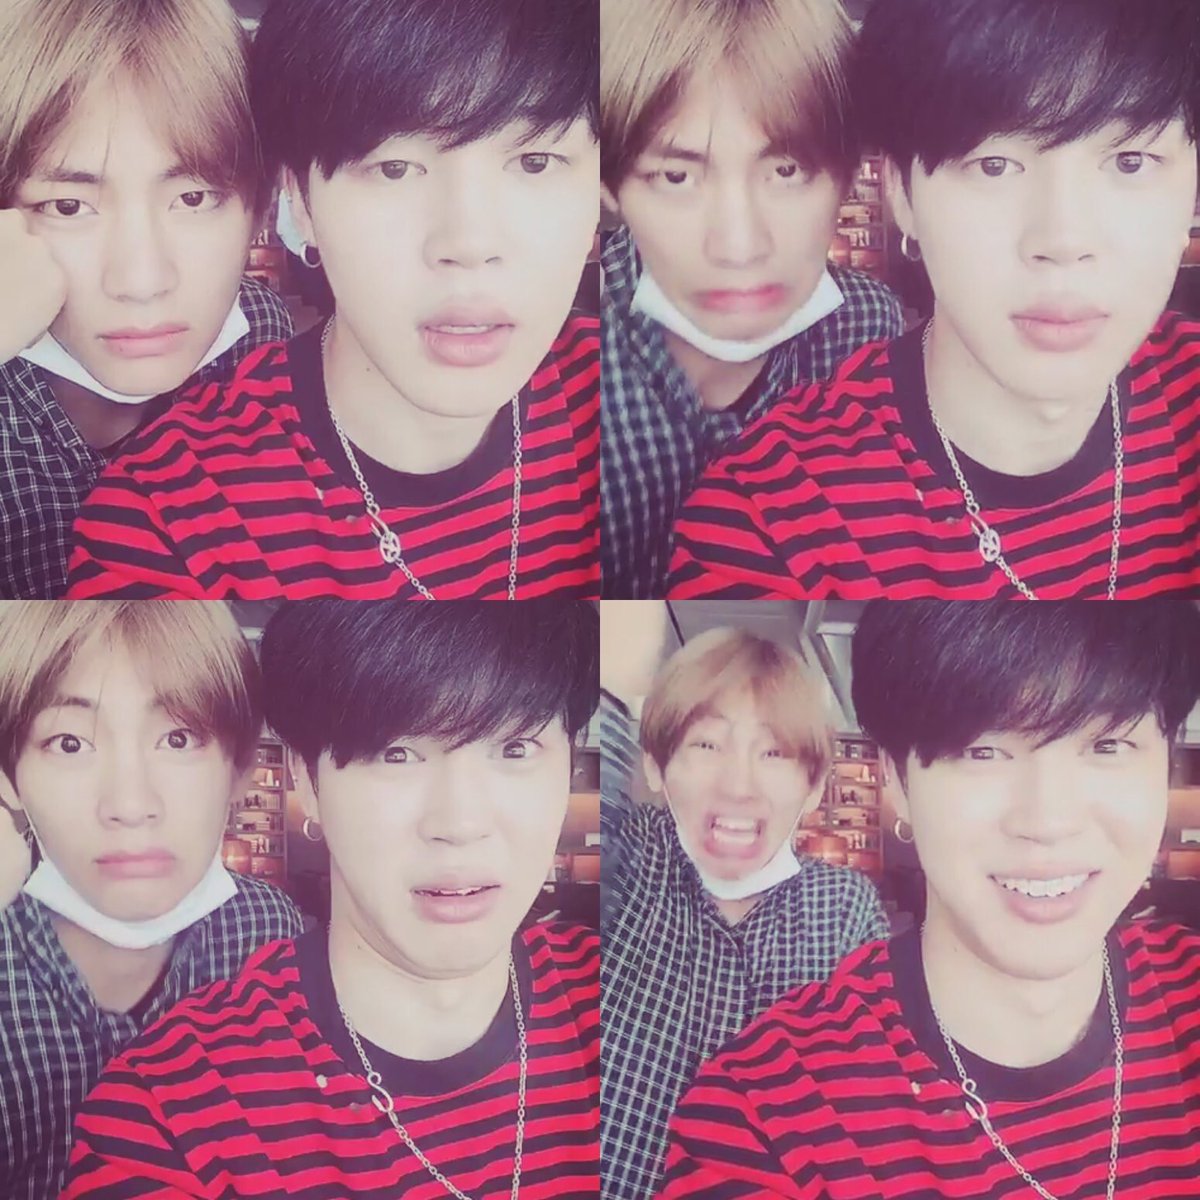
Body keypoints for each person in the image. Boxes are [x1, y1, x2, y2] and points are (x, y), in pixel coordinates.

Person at [661, 600, 1200, 1198]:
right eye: (981, 750)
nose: (1047, 822)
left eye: (1108, 745)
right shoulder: (762, 1120)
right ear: (897, 780)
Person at [63, 600, 601, 1197]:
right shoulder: (168, 1118)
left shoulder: (631, 1006)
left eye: (515, 748)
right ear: (306, 780)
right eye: (396, 753)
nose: (460, 823)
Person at [66, 0, 600, 600]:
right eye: (394, 167)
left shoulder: (638, 404)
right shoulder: (168, 522)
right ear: (299, 202)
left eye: (535, 161)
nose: (469, 244)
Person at [667, 0, 1200, 599]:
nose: (1063, 241)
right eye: (993, 165)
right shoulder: (770, 527)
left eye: (1131, 161)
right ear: (901, 193)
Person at [600, 0, 904, 599]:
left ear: (847, 177)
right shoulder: (556, 361)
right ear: (611, 189)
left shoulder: (870, 330)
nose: (739, 247)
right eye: (677, 177)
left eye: (787, 170)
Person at [0, 601, 303, 1200]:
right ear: (10, 778)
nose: (130, 805)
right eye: (68, 742)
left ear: (240, 769)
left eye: (178, 737)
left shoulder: (270, 934)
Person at [0, 0, 293, 600]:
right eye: (68, 206)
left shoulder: (263, 336)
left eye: (193, 198)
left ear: (260, 206)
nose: (141, 280)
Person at [603, 616, 888, 1199]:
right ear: (656, 765)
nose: (738, 785)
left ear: (813, 787)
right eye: (706, 744)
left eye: (775, 752)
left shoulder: (846, 909)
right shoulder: (628, 859)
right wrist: (614, 681)